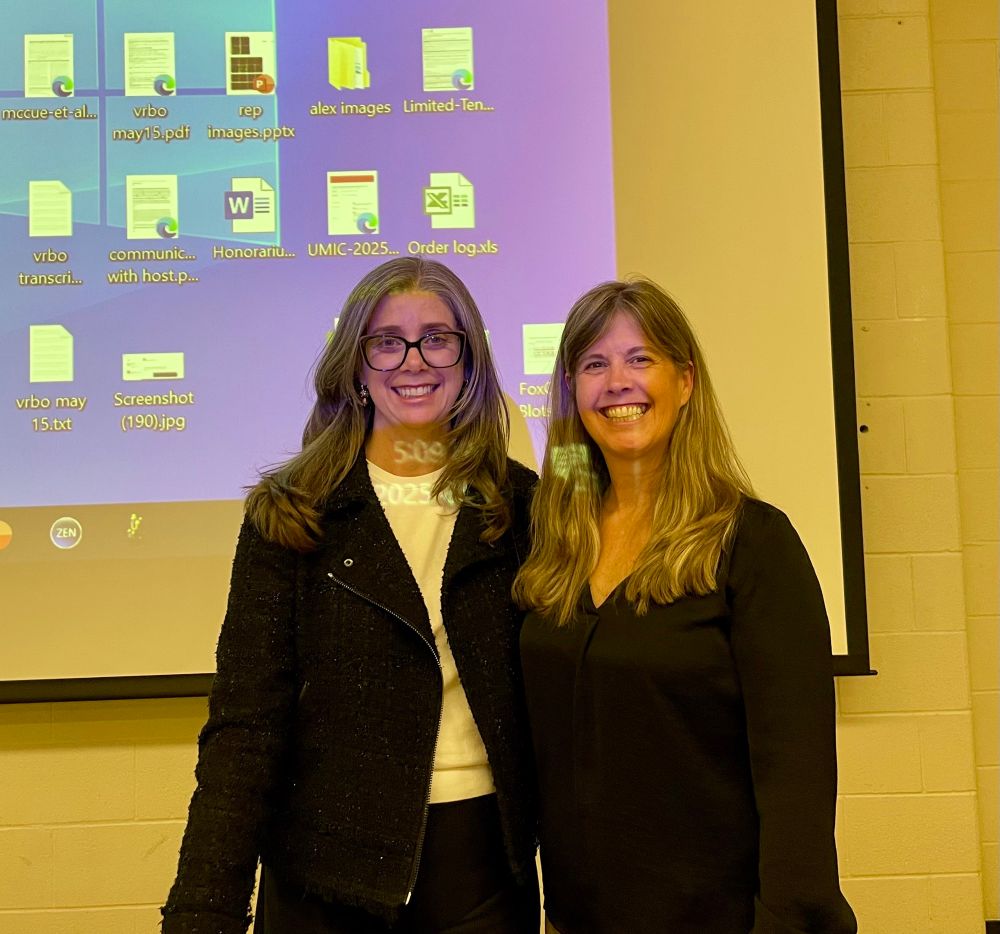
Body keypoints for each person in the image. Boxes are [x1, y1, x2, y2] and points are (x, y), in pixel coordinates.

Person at [162, 258, 539, 934]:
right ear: (357, 368)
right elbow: (245, 726)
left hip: (482, 862)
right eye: (386, 342)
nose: (412, 360)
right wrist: (202, 911)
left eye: (437, 338)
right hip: (324, 871)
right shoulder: (291, 515)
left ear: (468, 359)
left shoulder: (523, 510)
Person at [513, 278, 857, 934]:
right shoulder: (551, 549)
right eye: (594, 364)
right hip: (579, 917)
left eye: (640, 359)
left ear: (686, 381)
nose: (618, 381)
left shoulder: (753, 544)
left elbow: (796, 779)